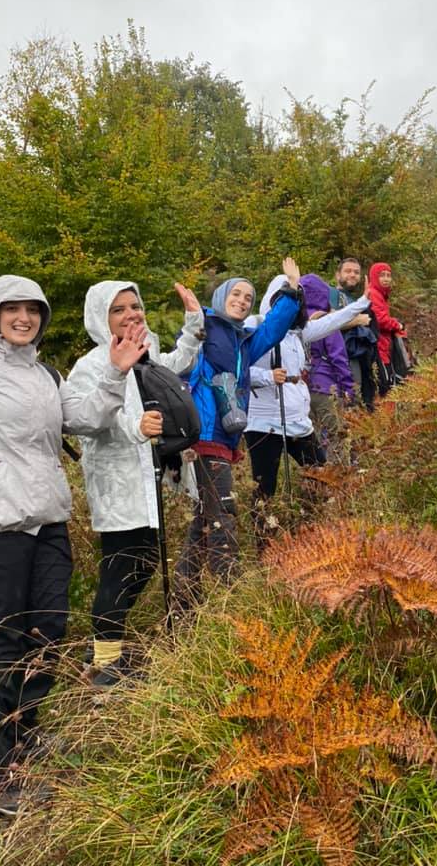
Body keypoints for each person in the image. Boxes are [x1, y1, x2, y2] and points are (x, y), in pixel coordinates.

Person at [0, 275, 145, 815]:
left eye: (32, 310)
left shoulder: (46, 374)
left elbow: (83, 420)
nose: (23, 318)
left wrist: (114, 372)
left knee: (46, 635)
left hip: (48, 520)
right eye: (11, 309)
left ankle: (20, 738)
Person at [65, 280, 203, 689]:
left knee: (144, 561)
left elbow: (176, 365)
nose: (131, 314)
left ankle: (104, 649)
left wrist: (193, 322)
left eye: (134, 306)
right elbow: (85, 422)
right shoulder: (90, 365)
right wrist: (134, 427)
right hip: (117, 481)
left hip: (146, 476)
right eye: (118, 309)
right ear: (100, 317)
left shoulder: (147, 351)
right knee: (121, 568)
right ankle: (104, 670)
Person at [173, 258, 302, 612]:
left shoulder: (244, 340)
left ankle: (183, 603)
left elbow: (272, 329)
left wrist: (292, 289)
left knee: (203, 521)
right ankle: (233, 598)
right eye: (236, 294)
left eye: (248, 298)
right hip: (203, 436)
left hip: (224, 439)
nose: (242, 301)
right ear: (221, 296)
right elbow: (182, 363)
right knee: (222, 514)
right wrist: (193, 318)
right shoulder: (204, 327)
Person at [245, 272, 371, 548]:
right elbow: (236, 370)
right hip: (263, 422)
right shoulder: (254, 326)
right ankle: (264, 546)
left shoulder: (298, 332)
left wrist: (363, 301)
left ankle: (309, 526)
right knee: (265, 486)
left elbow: (331, 322)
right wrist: (267, 377)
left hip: (297, 421)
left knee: (320, 473)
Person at [299, 273, 356, 465]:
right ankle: (340, 473)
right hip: (326, 387)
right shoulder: (326, 321)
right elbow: (338, 358)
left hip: (301, 389)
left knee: (312, 439)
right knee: (335, 436)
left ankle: (316, 474)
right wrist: (348, 388)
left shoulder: (294, 323)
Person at [329, 257, 380, 411]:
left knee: (357, 401)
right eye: (348, 271)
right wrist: (357, 321)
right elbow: (327, 323)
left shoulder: (353, 300)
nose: (352, 275)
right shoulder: (333, 295)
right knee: (349, 402)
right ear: (338, 275)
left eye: (356, 272)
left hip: (355, 356)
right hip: (339, 358)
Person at [368, 262, 405, 394]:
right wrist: (398, 325)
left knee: (389, 382)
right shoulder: (373, 294)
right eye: (382, 275)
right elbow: (380, 320)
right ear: (374, 277)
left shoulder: (380, 294)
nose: (386, 279)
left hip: (383, 346)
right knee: (385, 384)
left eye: (388, 275)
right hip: (378, 348)